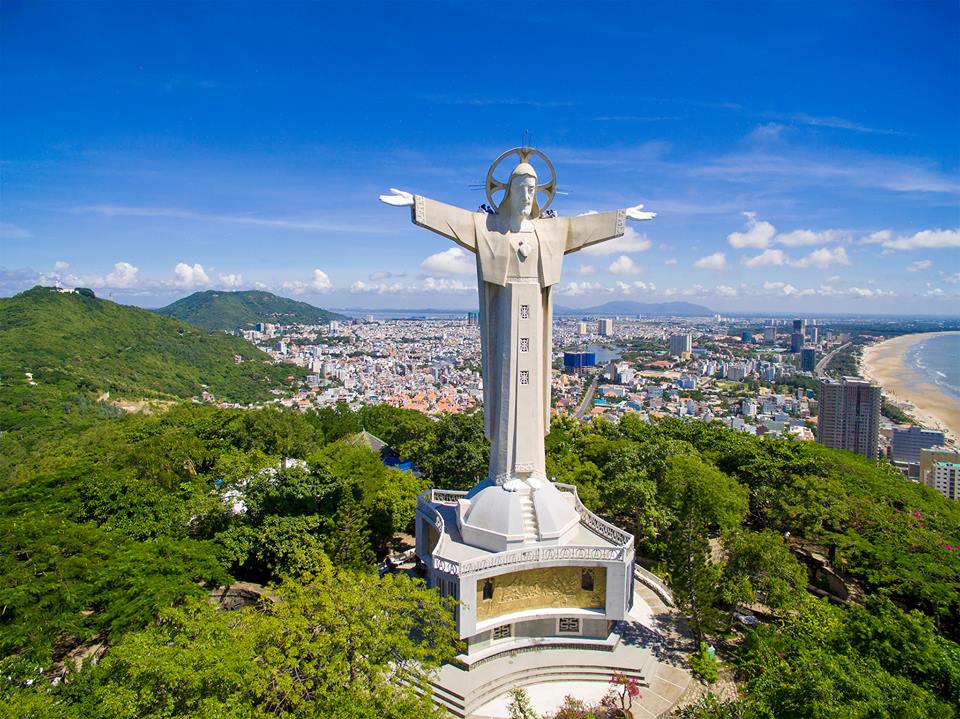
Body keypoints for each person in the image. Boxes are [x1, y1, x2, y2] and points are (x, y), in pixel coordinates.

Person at [380, 158, 654, 486]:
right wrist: (417, 203)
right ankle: (505, 473)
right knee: (509, 390)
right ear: (508, 190)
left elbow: (583, 228)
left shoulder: (549, 230)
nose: (526, 196)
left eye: (532, 190)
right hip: (507, 311)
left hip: (535, 311)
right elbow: (454, 220)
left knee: (531, 390)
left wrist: (622, 216)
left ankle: (534, 472)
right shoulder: (490, 228)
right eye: (521, 188)